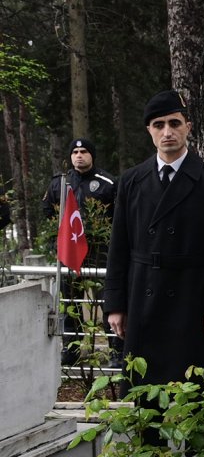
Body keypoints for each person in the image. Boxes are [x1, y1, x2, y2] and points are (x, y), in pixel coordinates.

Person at [103, 89, 204, 457]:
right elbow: (118, 247)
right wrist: (115, 305)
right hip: (144, 301)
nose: (167, 132)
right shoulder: (132, 180)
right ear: (149, 131)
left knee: (197, 391)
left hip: (192, 303)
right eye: (159, 125)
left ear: (188, 128)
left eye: (174, 124)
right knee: (146, 392)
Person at [42, 138, 118, 365]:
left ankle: (116, 349)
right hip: (71, 253)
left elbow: (119, 216)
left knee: (107, 301)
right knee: (69, 302)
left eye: (84, 151)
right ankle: (71, 348)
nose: (79, 155)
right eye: (75, 152)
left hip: (100, 253)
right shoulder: (60, 183)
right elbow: (48, 212)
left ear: (92, 155)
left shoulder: (107, 183)